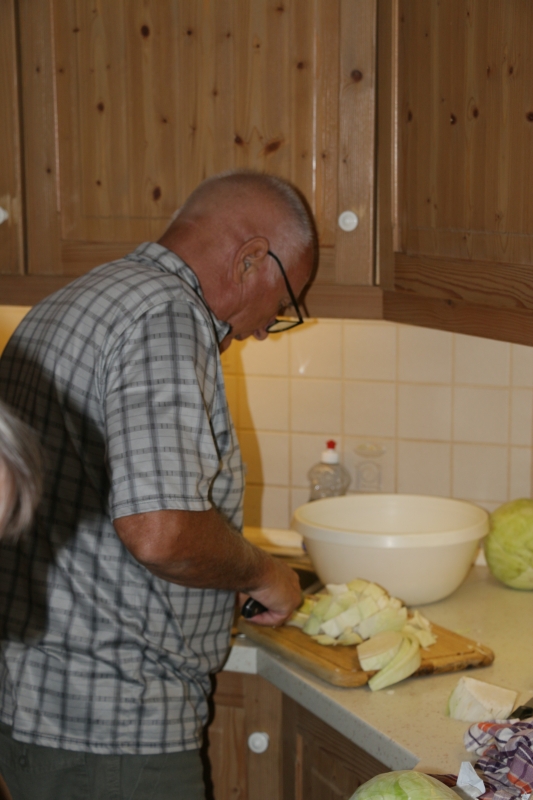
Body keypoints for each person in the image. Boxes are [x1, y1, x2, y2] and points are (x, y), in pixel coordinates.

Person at [0, 170, 316, 800]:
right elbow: (161, 533)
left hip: (38, 700)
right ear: (251, 258)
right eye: (282, 304)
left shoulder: (76, 298)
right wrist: (265, 574)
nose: (264, 328)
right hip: (115, 724)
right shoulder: (166, 316)